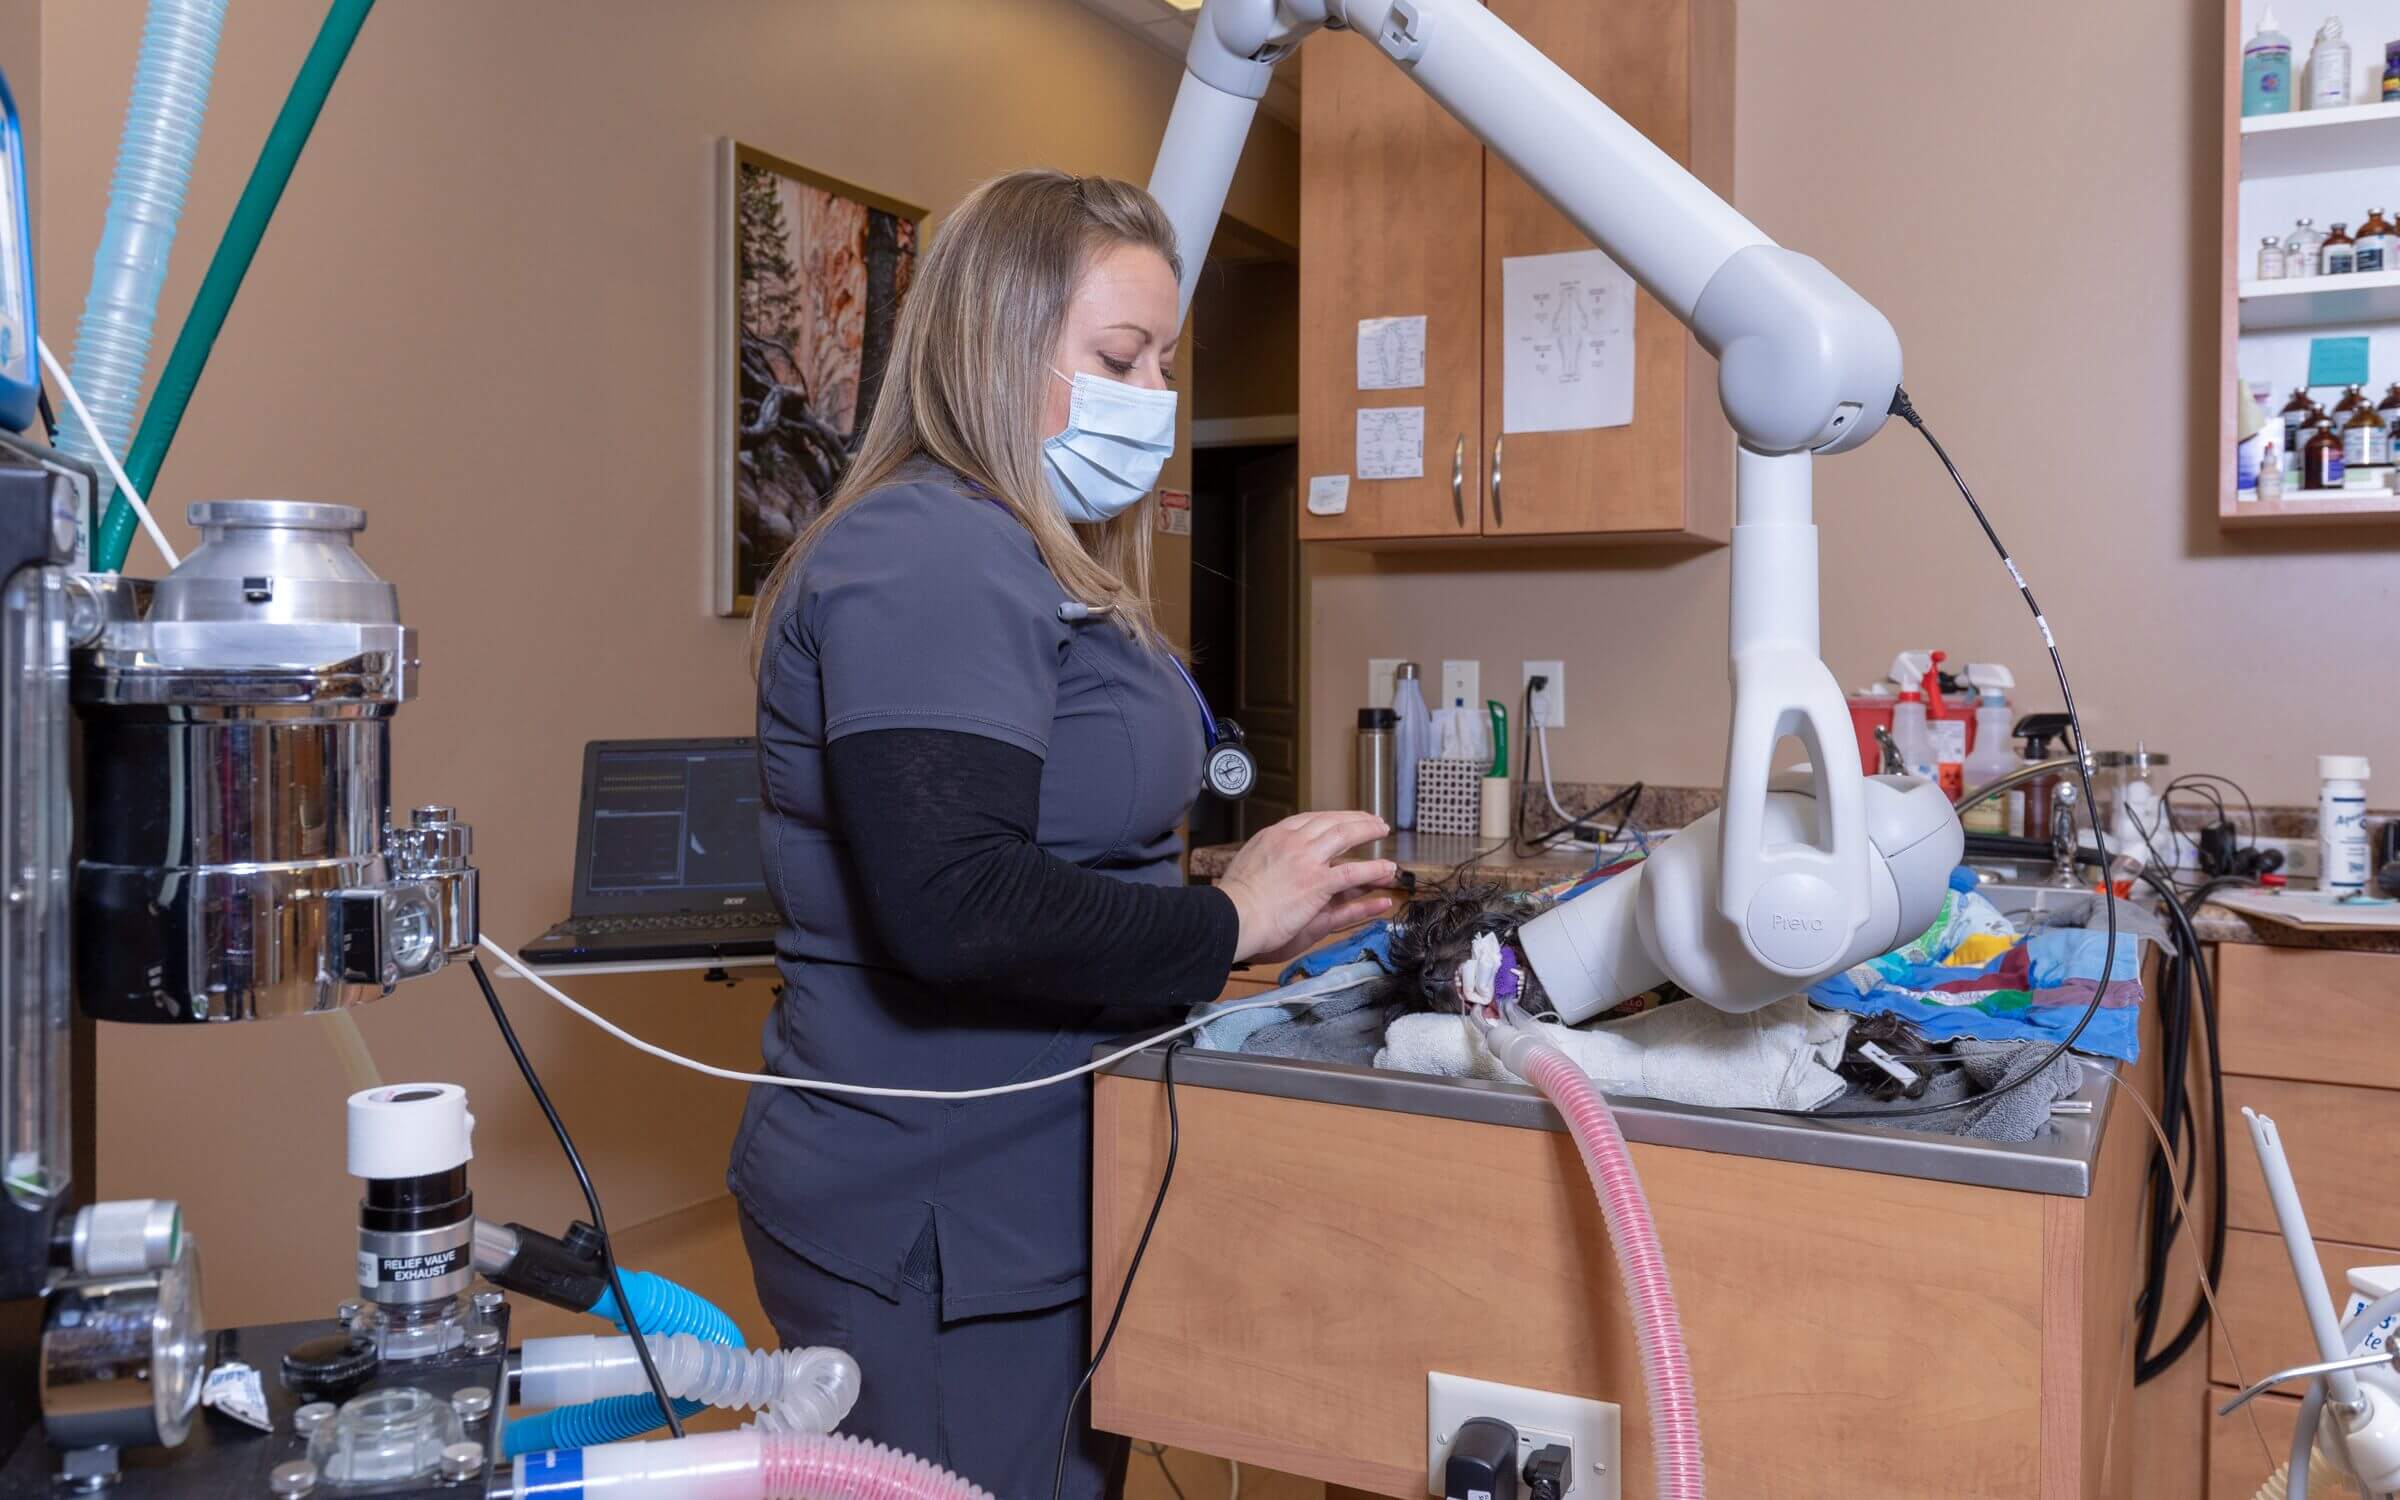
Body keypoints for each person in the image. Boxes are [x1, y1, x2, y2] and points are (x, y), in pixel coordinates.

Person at [730, 169, 1398, 1498]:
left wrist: (1236, 912)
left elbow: (1055, 846)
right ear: (995, 344)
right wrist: (1229, 922)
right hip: (935, 1214)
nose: (1152, 396)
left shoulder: (1026, 555)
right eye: (1117, 357)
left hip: (1027, 1192)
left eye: (1163, 361)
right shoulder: (933, 552)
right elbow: (958, 901)